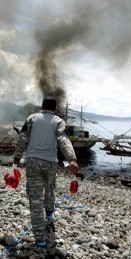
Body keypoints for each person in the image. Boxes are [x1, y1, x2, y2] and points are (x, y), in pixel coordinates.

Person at [13, 97, 79, 248]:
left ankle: (40, 239)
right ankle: (49, 213)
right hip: (51, 162)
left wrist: (16, 158)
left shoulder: (32, 118)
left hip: (32, 161)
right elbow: (63, 139)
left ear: (41, 106)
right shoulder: (59, 121)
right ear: (55, 108)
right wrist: (72, 159)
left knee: (35, 199)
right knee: (49, 189)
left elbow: (22, 138)